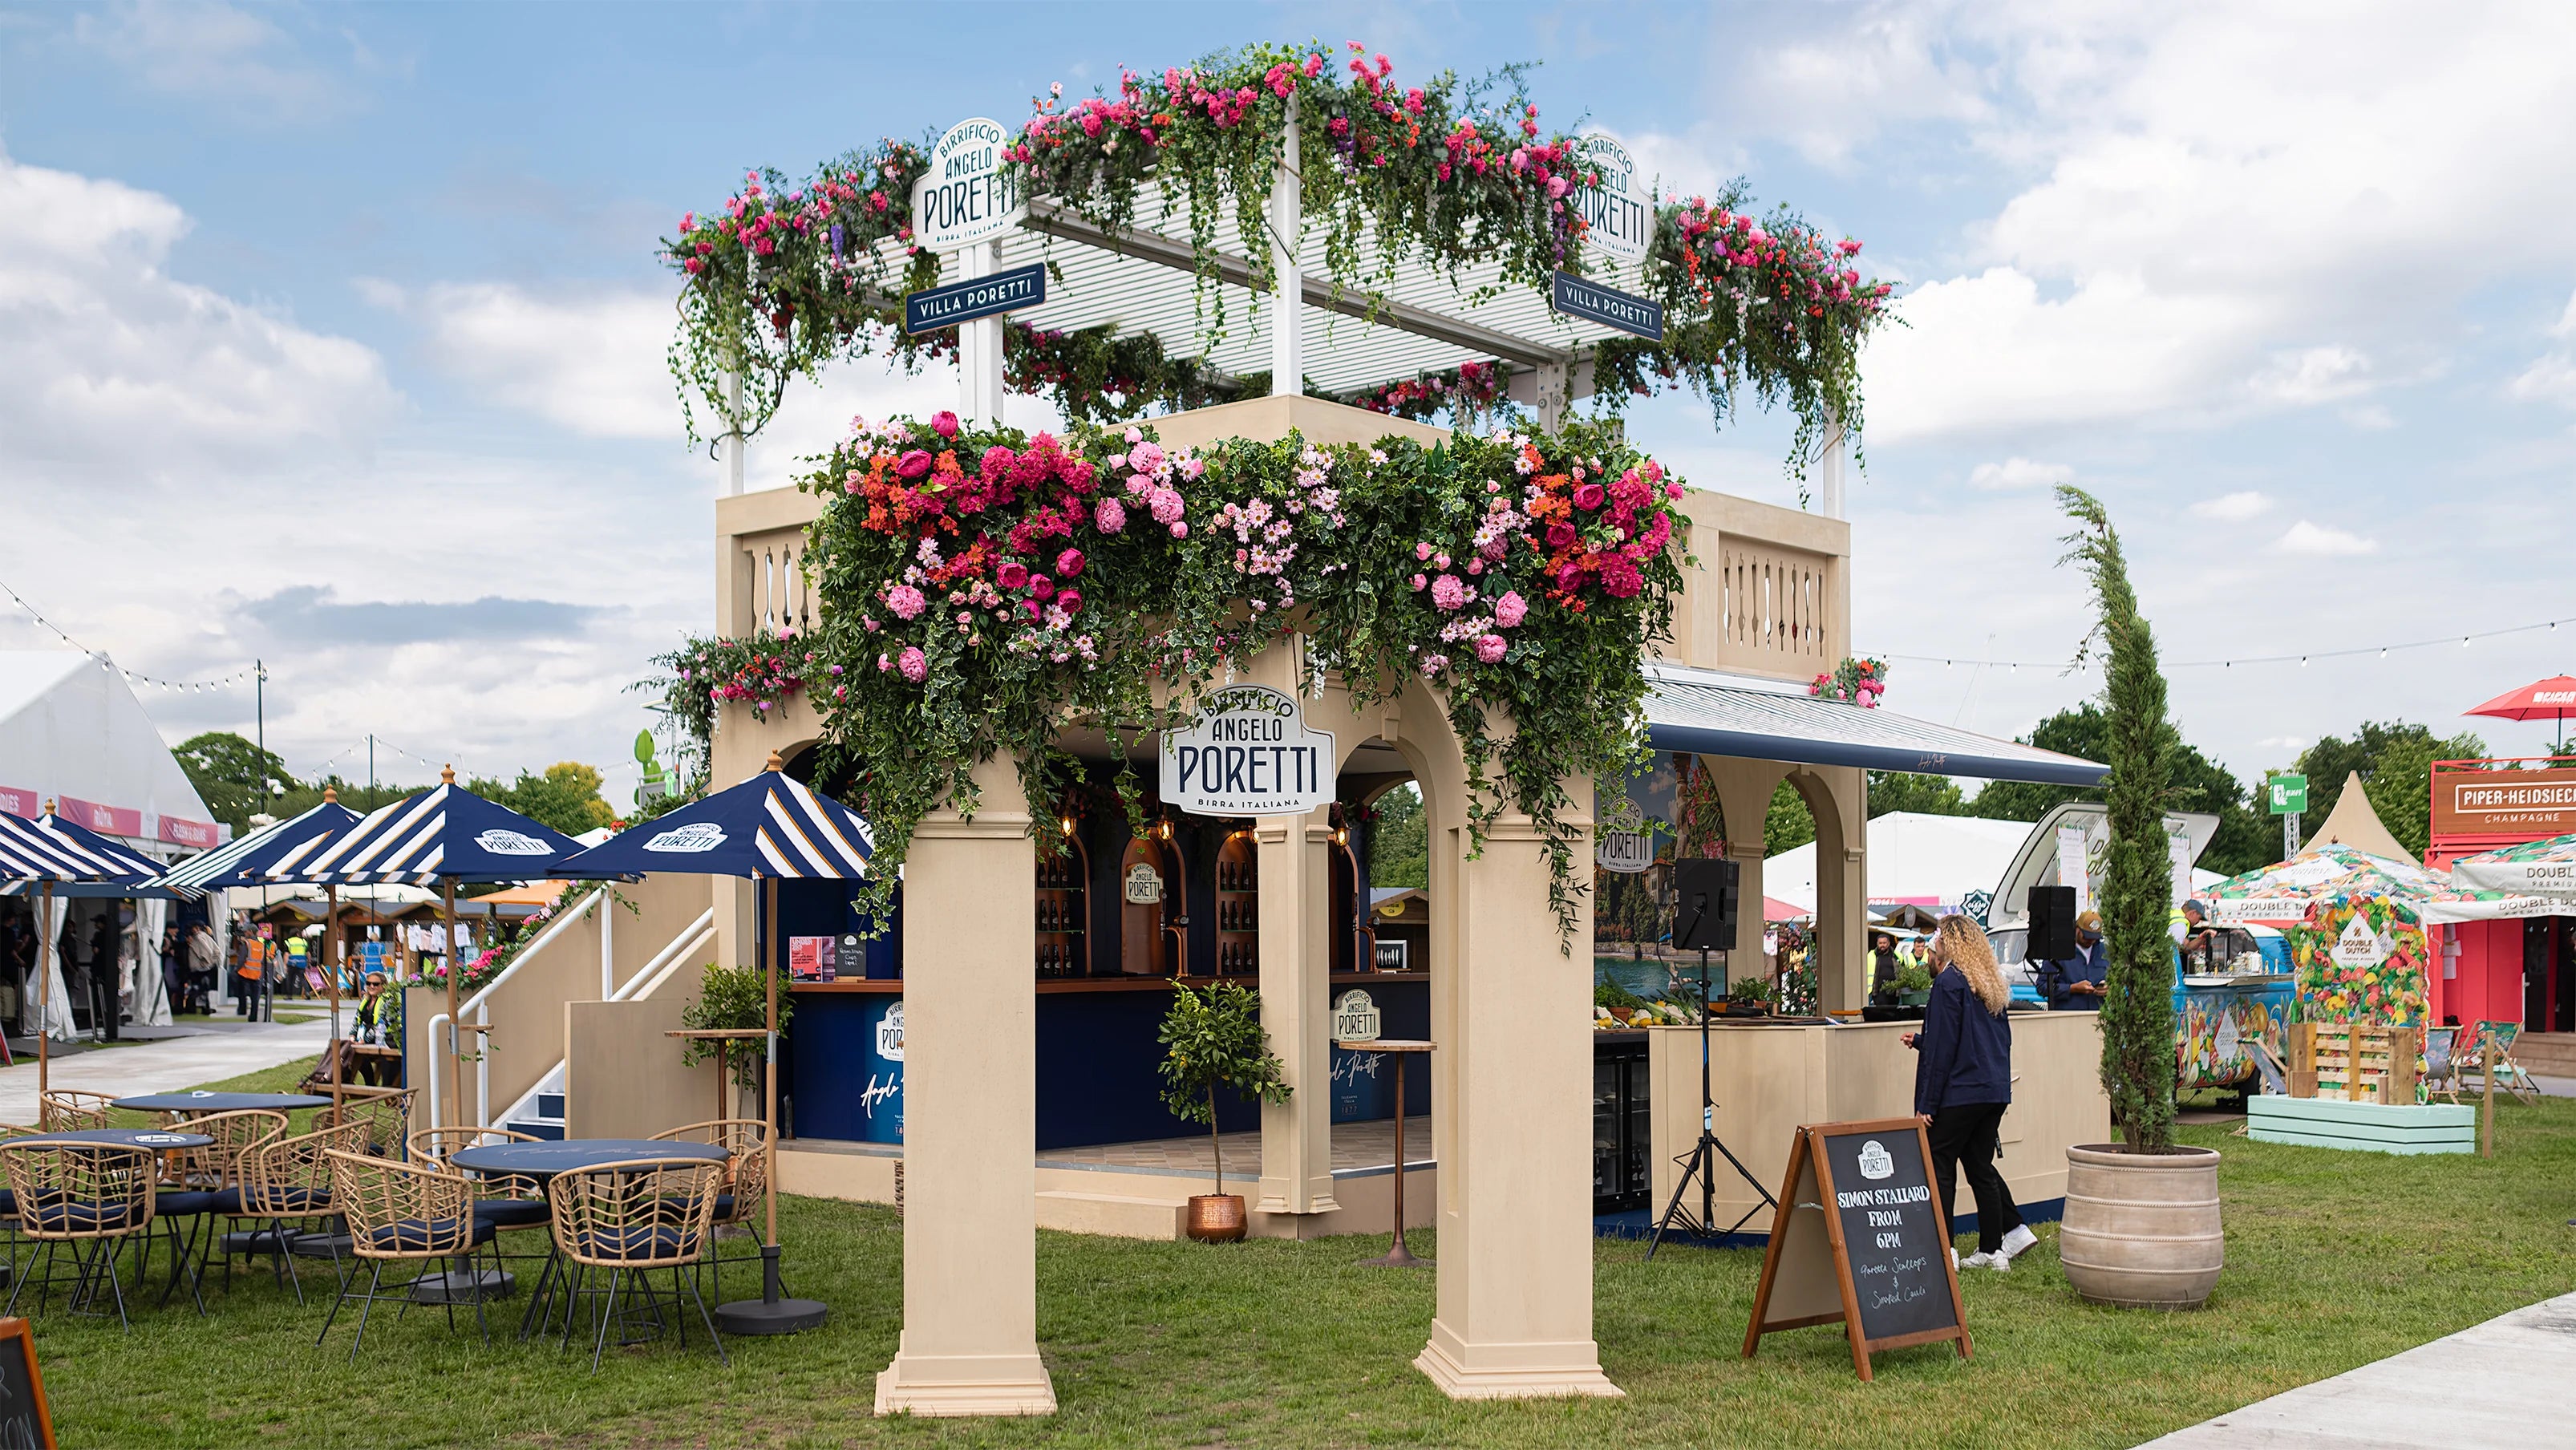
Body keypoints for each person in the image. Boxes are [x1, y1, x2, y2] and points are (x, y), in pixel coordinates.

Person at [1903, 914, 2038, 1271]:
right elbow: (1980, 1041)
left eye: (1935, 941)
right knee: (1980, 1166)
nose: (1931, 948)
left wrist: (1926, 1104)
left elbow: (1945, 1048)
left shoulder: (1949, 983)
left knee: (1940, 1164)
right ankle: (1993, 1251)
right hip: (1992, 1089)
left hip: (1960, 1091)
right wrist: (1921, 1042)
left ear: (1947, 944)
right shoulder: (1989, 982)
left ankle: (1945, 1251)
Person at [2047, 909, 2108, 1010]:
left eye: (2094, 938)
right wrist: (2072, 988)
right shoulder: (2058, 951)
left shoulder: (2105, 951)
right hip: (2068, 1017)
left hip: (2097, 1016)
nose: (2090, 941)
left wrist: (2108, 989)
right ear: (2077, 929)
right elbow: (2043, 987)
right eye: (2086, 937)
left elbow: (2120, 983)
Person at [350, 970, 403, 1085]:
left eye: (375, 984)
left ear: (383, 986)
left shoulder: (388, 1001)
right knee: (347, 1050)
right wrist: (352, 1035)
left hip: (384, 1039)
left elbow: (381, 1025)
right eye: (368, 983)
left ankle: (371, 1085)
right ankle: (364, 1083)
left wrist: (364, 1040)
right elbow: (356, 1019)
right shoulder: (365, 1000)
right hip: (364, 1039)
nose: (371, 986)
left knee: (362, 1052)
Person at [1867, 930, 1904, 1005]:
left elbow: (1903, 971)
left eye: (1884, 943)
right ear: (1877, 944)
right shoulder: (1871, 955)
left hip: (1894, 993)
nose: (1882, 945)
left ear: (1889, 943)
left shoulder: (1897, 955)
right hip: (1877, 992)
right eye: (1880, 943)